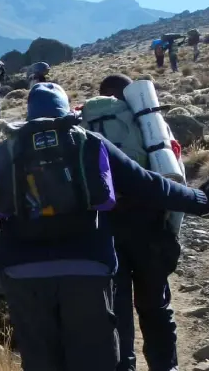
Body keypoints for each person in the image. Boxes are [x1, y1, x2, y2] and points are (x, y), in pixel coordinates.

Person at [0, 83, 209, 371]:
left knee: (41, 358)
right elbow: (150, 186)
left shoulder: (2, 154)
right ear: (66, 111)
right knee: (94, 357)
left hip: (23, 276)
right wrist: (204, 199)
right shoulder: (90, 143)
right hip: (88, 270)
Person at [81, 74, 184, 371]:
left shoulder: (85, 127)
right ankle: (166, 366)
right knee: (156, 306)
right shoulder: (150, 125)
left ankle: (124, 365)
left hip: (105, 231)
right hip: (149, 226)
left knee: (117, 311)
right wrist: (170, 231)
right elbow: (174, 177)